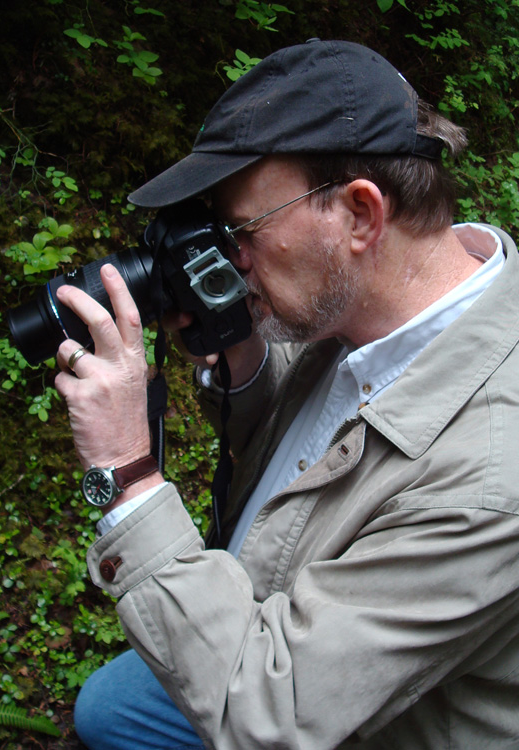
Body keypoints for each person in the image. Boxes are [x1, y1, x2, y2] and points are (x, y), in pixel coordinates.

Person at [54, 39, 519, 749]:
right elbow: (317, 459)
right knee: (109, 708)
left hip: (320, 706)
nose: (228, 258)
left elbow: (269, 715)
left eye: (241, 231)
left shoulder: (490, 477)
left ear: (360, 214)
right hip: (264, 613)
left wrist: (126, 470)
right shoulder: (363, 305)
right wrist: (243, 360)